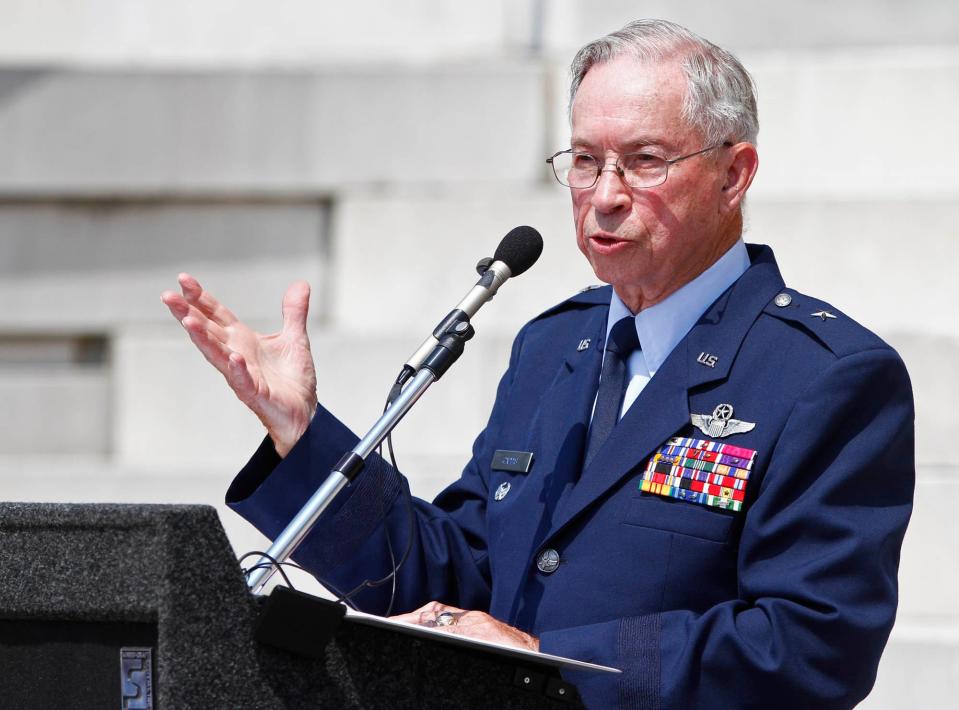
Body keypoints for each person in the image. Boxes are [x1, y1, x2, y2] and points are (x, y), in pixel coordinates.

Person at [162, 19, 914, 709]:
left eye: (643, 162)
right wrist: (303, 433)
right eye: (584, 162)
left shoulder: (825, 375)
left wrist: (548, 659)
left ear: (732, 174)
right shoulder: (555, 346)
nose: (604, 196)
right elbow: (451, 576)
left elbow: (811, 646)